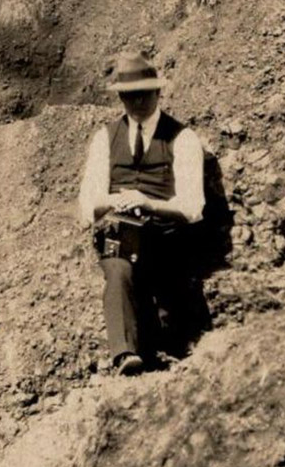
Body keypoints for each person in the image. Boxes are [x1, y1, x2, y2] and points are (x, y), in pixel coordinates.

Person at [77, 52, 207, 376]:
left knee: (171, 293)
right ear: (119, 96)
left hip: (167, 237)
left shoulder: (182, 138)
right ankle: (125, 354)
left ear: (157, 92)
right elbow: (87, 204)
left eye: (142, 94)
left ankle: (170, 347)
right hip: (121, 232)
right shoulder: (105, 138)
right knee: (118, 268)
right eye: (127, 96)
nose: (135, 102)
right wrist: (114, 201)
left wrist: (149, 203)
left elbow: (193, 207)